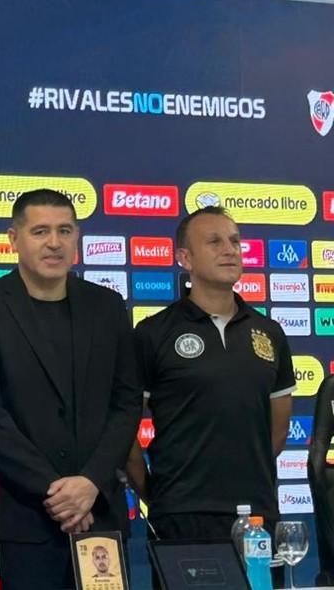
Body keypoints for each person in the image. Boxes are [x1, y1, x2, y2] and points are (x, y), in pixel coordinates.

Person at [0, 189, 142, 589]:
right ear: (13, 239)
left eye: (64, 231)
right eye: (40, 231)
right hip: (19, 522)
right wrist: (58, 494)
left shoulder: (108, 306)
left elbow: (126, 404)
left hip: (98, 513)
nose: (54, 242)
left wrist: (89, 483)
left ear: (77, 238)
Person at [125, 207, 294, 562]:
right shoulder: (153, 333)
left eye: (234, 241)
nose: (230, 250)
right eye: (214, 242)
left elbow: (277, 432)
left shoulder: (270, 332)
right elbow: (123, 429)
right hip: (181, 516)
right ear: (185, 258)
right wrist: (157, 495)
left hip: (258, 515)